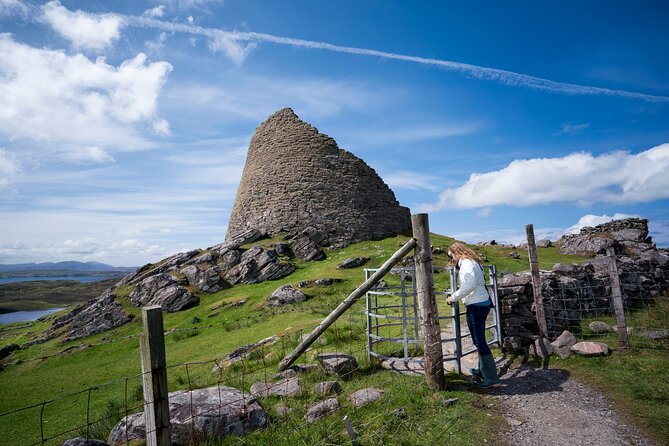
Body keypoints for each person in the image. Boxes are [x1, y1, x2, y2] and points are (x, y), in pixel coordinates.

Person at [445, 242, 500, 388]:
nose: (452, 259)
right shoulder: (472, 261)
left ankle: (490, 377)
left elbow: (469, 285)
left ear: (456, 252)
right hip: (481, 302)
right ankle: (483, 370)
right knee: (479, 339)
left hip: (476, 305)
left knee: (479, 340)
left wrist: (453, 297)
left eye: (451, 256)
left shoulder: (467, 264)